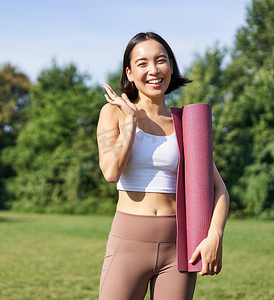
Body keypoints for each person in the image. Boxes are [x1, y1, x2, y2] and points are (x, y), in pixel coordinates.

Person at [96, 32, 229, 300]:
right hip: (128, 242)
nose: (153, 70)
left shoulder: (187, 123)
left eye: (161, 60)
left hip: (178, 247)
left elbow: (220, 190)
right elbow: (111, 172)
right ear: (130, 73)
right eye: (142, 63)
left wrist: (214, 236)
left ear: (171, 66)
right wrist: (131, 121)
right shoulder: (114, 112)